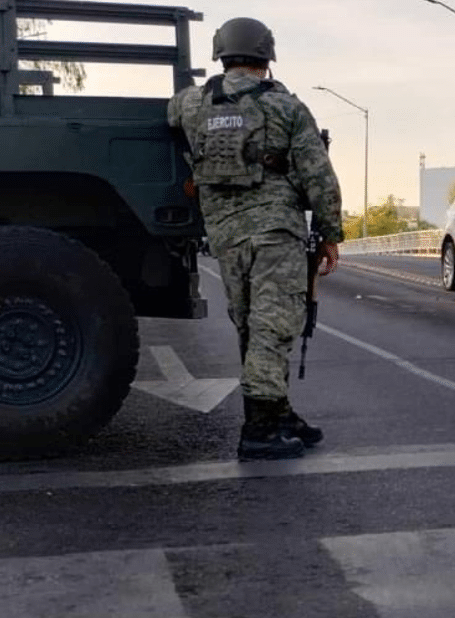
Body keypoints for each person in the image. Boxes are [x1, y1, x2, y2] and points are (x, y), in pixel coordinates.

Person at [168, 17, 343, 461]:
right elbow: (317, 174)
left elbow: (171, 112)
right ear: (266, 58)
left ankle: (279, 412)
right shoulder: (286, 107)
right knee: (274, 324)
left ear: (222, 55)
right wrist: (329, 232)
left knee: (252, 323)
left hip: (225, 237)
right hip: (274, 232)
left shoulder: (195, 103)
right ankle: (260, 430)